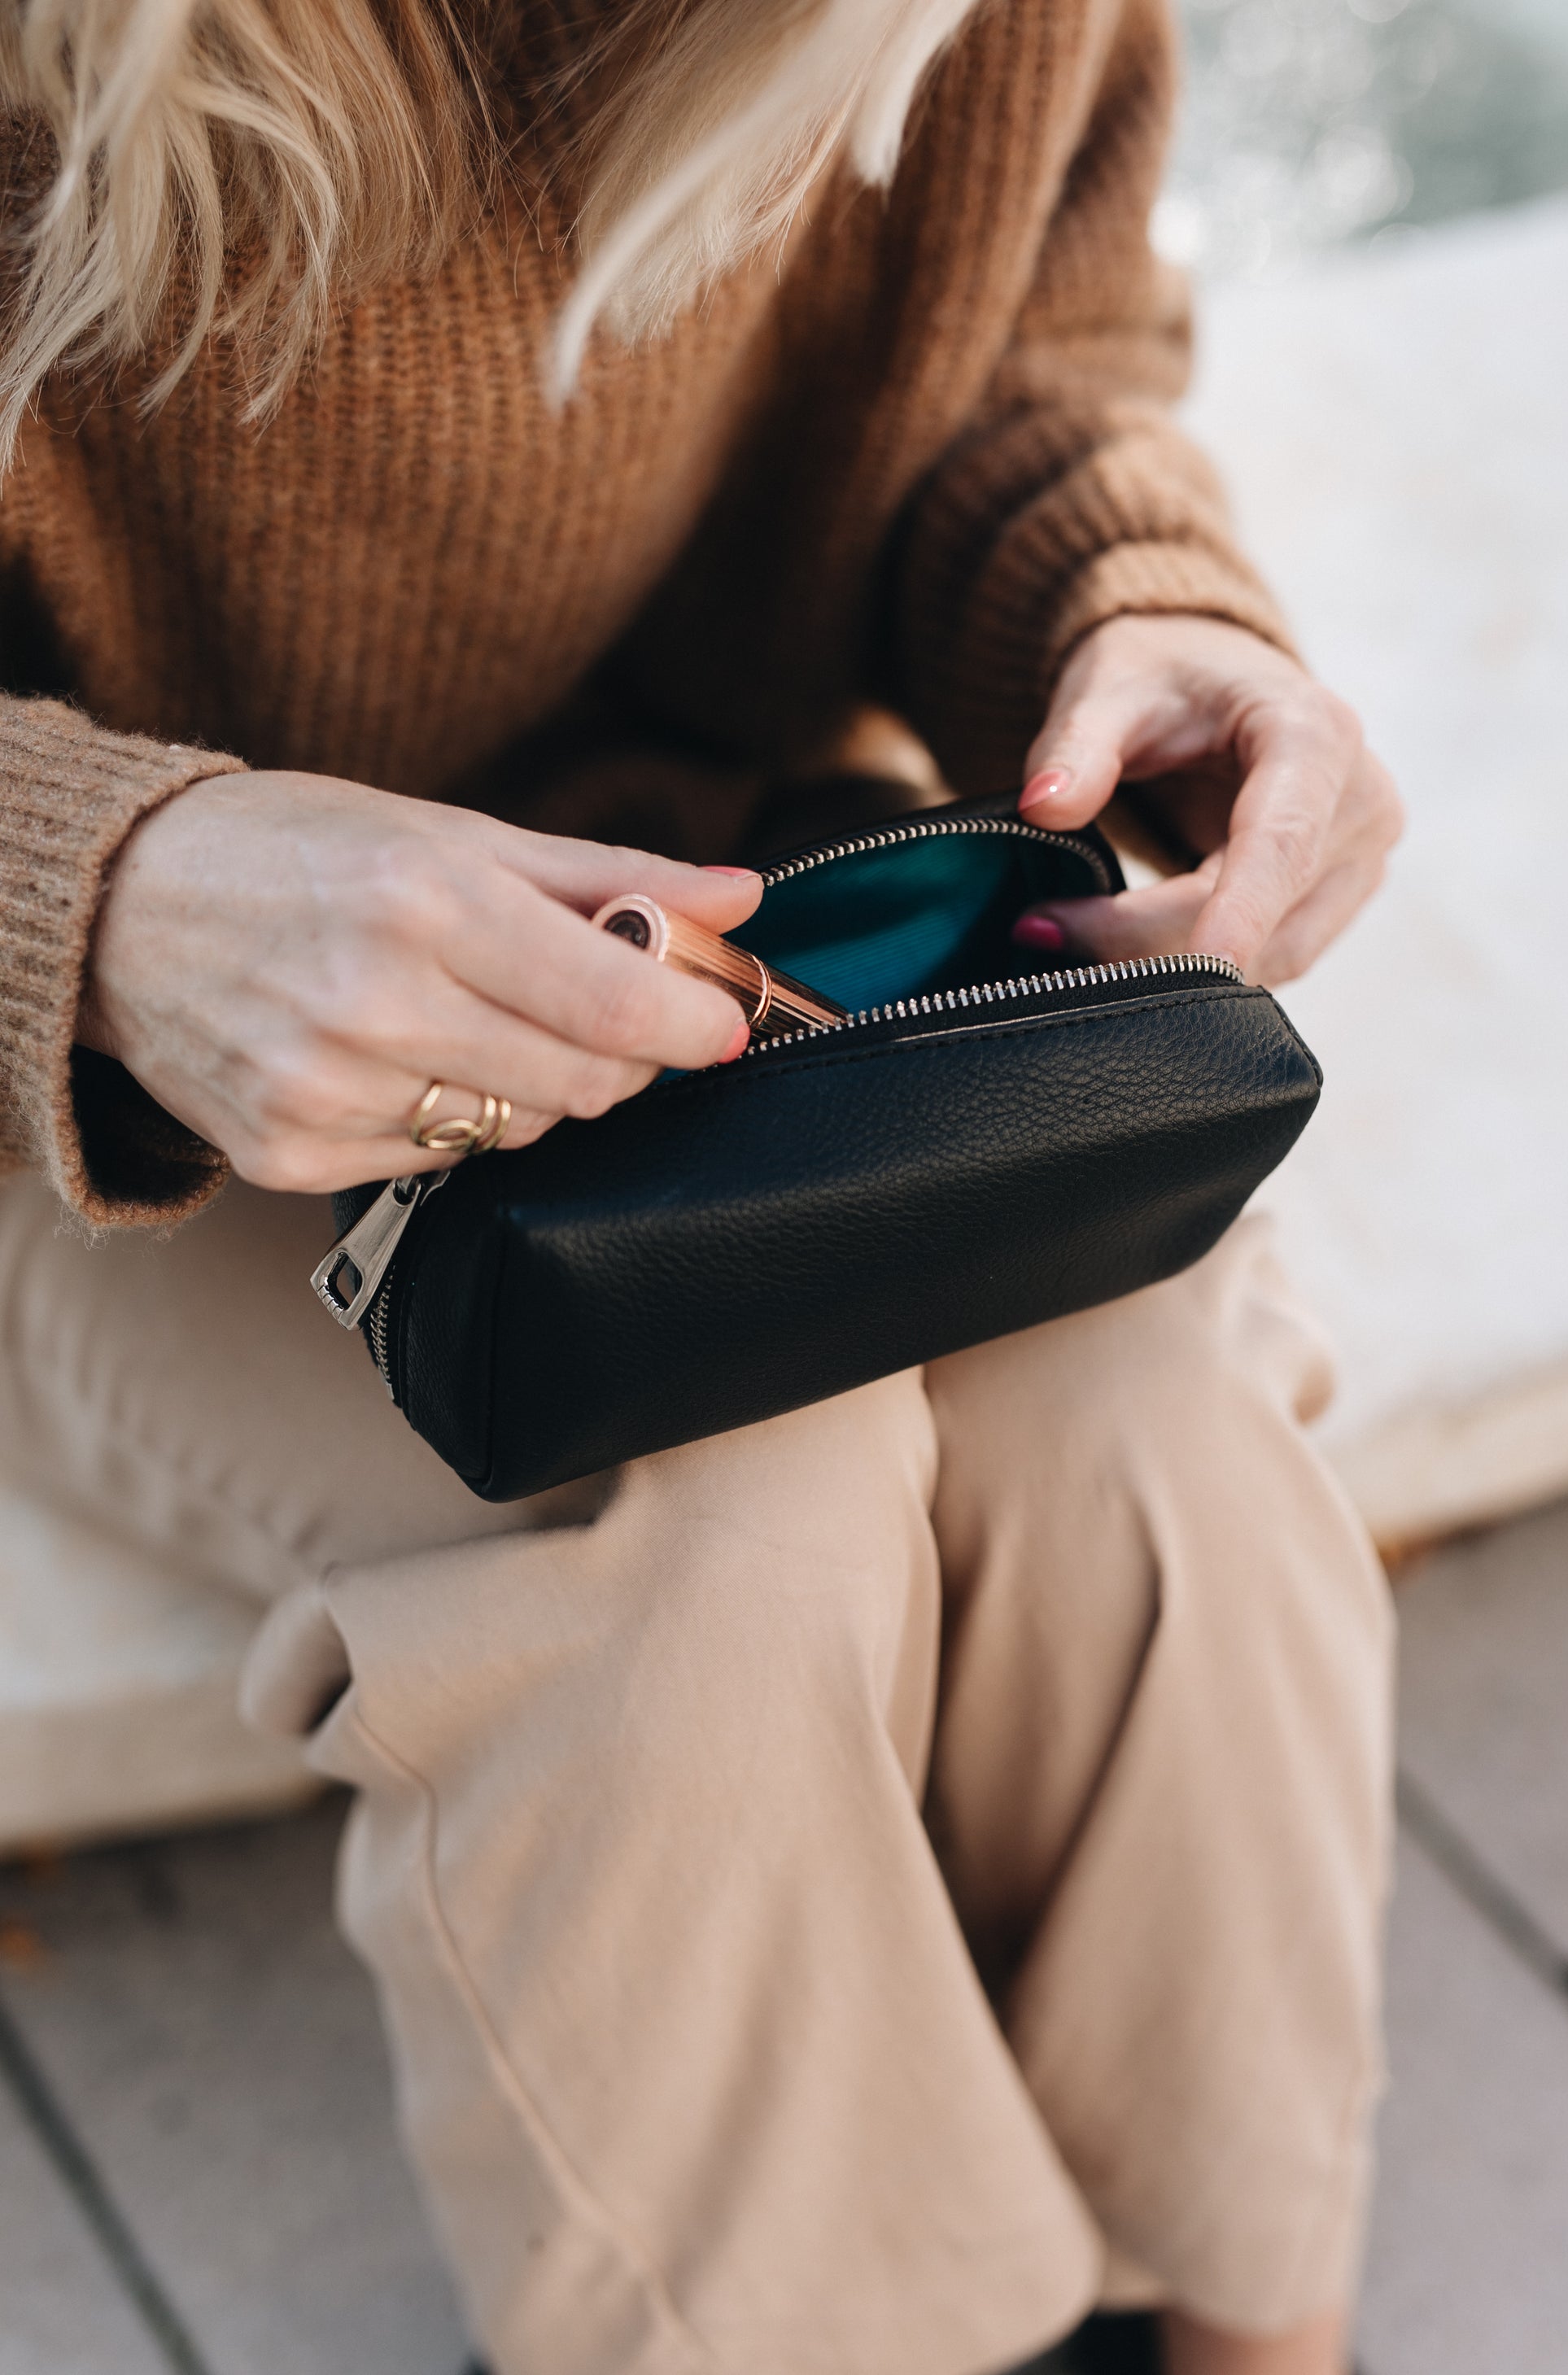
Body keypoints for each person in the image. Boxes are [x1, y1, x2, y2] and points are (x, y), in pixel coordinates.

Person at [0, 1, 1403, 2369]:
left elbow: (1013, 359)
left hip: (750, 912)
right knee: (697, 1552)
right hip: (97, 1098)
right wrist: (104, 901)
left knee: (1148, 1433)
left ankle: (1248, 2314)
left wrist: (1130, 604)